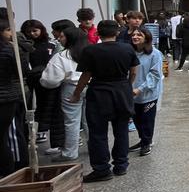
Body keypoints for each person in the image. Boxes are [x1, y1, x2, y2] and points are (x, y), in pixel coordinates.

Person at [71, 20, 139, 182]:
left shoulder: (91, 50)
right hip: (122, 91)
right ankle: (121, 165)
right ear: (116, 32)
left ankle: (102, 169)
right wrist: (127, 86)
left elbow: (85, 75)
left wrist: (76, 93)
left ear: (97, 33)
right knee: (121, 130)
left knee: (98, 133)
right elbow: (134, 71)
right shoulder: (127, 48)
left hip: (99, 93)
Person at [40, 26, 87, 161]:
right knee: (89, 119)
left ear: (70, 38)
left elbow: (50, 80)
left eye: (62, 37)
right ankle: (94, 147)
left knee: (71, 121)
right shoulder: (90, 52)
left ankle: (70, 153)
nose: (59, 39)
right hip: (91, 87)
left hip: (71, 87)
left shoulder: (61, 56)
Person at [129, 28, 163, 156]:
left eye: (139, 34)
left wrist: (140, 89)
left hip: (148, 94)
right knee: (136, 119)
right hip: (132, 93)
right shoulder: (130, 52)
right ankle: (143, 140)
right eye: (134, 34)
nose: (135, 36)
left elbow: (155, 75)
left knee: (147, 120)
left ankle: (146, 143)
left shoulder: (155, 54)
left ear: (146, 38)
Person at [22, 20, 56, 146]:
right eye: (29, 32)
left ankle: (42, 129)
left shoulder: (50, 44)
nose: (32, 34)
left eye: (35, 31)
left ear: (41, 30)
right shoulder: (24, 45)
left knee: (44, 103)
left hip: (45, 77)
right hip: (29, 77)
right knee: (28, 104)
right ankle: (29, 130)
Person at [0, 21, 27, 176]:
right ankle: (8, 170)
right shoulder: (11, 49)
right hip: (8, 97)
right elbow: (21, 71)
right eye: (8, 30)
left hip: (7, 96)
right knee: (4, 135)